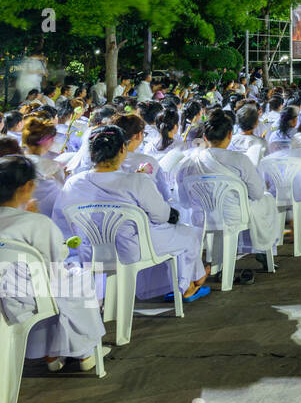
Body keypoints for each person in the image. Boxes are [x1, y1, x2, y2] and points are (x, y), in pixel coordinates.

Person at [53, 125, 210, 302]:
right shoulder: (136, 181)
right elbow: (161, 215)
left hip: (90, 251)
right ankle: (189, 283)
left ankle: (190, 280)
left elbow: (61, 219)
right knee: (187, 233)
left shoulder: (73, 183)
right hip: (131, 250)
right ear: (122, 149)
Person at [0, 155, 107, 373]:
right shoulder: (35, 222)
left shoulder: (26, 219)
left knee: (59, 285)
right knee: (80, 277)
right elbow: (55, 257)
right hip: (29, 290)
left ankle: (50, 352)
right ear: (27, 186)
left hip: (8, 290)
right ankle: (85, 351)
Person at [173, 110, 281, 271]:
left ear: (205, 137)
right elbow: (257, 193)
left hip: (200, 216)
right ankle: (263, 249)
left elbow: (183, 200)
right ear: (230, 134)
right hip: (233, 215)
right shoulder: (240, 160)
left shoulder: (188, 162)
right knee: (267, 200)